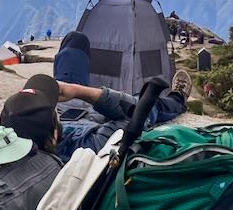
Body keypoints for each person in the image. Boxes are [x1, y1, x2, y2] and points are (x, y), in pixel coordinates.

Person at [52, 31, 191, 161]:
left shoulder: (40, 134)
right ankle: (178, 98)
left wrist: (59, 89)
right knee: (145, 103)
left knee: (76, 39)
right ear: (53, 136)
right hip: (91, 115)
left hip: (63, 106)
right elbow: (136, 114)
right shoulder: (86, 146)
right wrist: (79, 91)